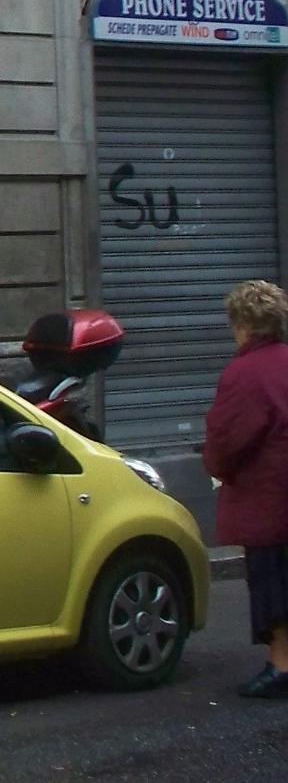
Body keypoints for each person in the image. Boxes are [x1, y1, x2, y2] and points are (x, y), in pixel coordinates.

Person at [203, 278, 288, 699]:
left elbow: (228, 438)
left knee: (271, 580)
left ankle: (282, 665)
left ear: (242, 324)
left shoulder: (245, 372)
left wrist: (215, 465)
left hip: (270, 499)